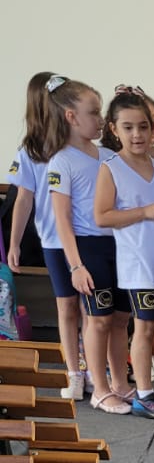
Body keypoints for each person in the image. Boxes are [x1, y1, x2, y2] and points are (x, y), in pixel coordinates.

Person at [93, 91, 154, 418]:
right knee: (145, 328)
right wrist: (143, 212)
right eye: (128, 127)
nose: (137, 135)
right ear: (114, 129)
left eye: (143, 127)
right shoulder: (111, 168)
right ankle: (144, 392)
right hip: (139, 267)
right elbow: (102, 216)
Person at [43, 78, 131, 415]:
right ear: (71, 117)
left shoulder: (109, 156)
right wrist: (76, 265)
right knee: (98, 319)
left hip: (116, 244)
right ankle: (100, 389)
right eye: (93, 113)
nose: (100, 120)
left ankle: (120, 383)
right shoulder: (61, 161)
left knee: (120, 317)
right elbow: (62, 220)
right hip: (87, 247)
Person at [6, 72, 86, 398]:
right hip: (53, 240)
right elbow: (23, 199)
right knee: (66, 306)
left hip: (86, 237)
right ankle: (74, 372)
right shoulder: (31, 150)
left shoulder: (78, 144)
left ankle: (92, 366)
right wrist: (13, 243)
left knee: (91, 309)